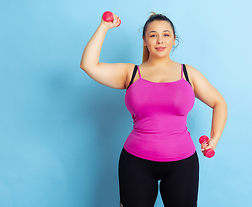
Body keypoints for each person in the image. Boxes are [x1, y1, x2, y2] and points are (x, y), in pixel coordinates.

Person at [80, 12, 228, 207]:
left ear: (174, 40)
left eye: (166, 34)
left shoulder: (188, 73)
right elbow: (88, 65)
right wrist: (104, 27)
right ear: (144, 41)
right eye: (153, 35)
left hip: (182, 164)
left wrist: (214, 139)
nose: (160, 40)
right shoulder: (130, 73)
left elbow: (219, 103)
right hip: (136, 162)